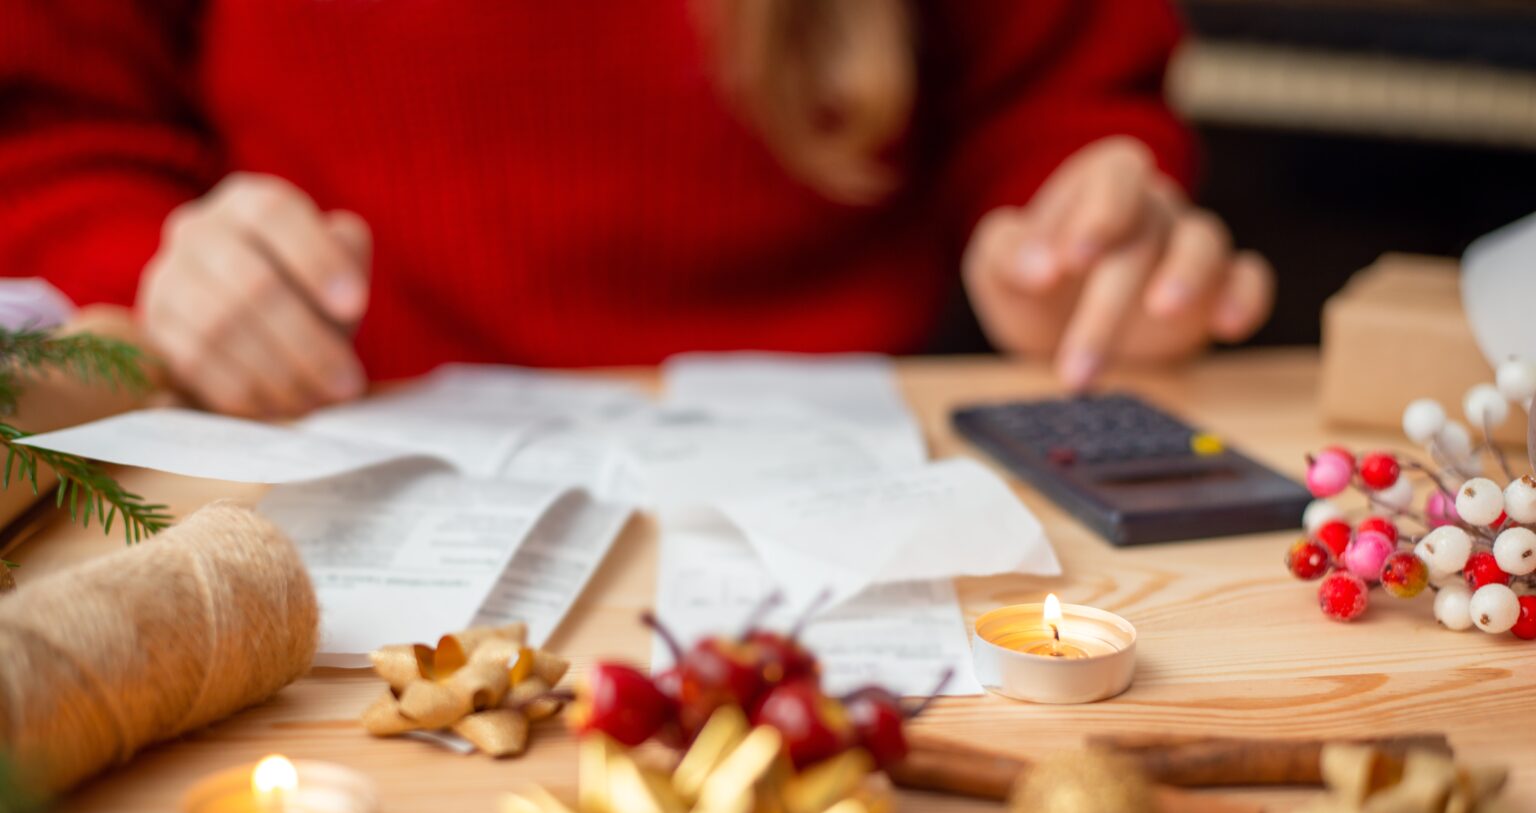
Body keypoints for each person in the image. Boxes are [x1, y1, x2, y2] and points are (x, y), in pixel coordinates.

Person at [0, 1, 1272, 417]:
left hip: (842, 467)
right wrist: (161, 265)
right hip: (314, 449)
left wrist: (1078, 222)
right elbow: (49, 119)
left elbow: (1050, 84)